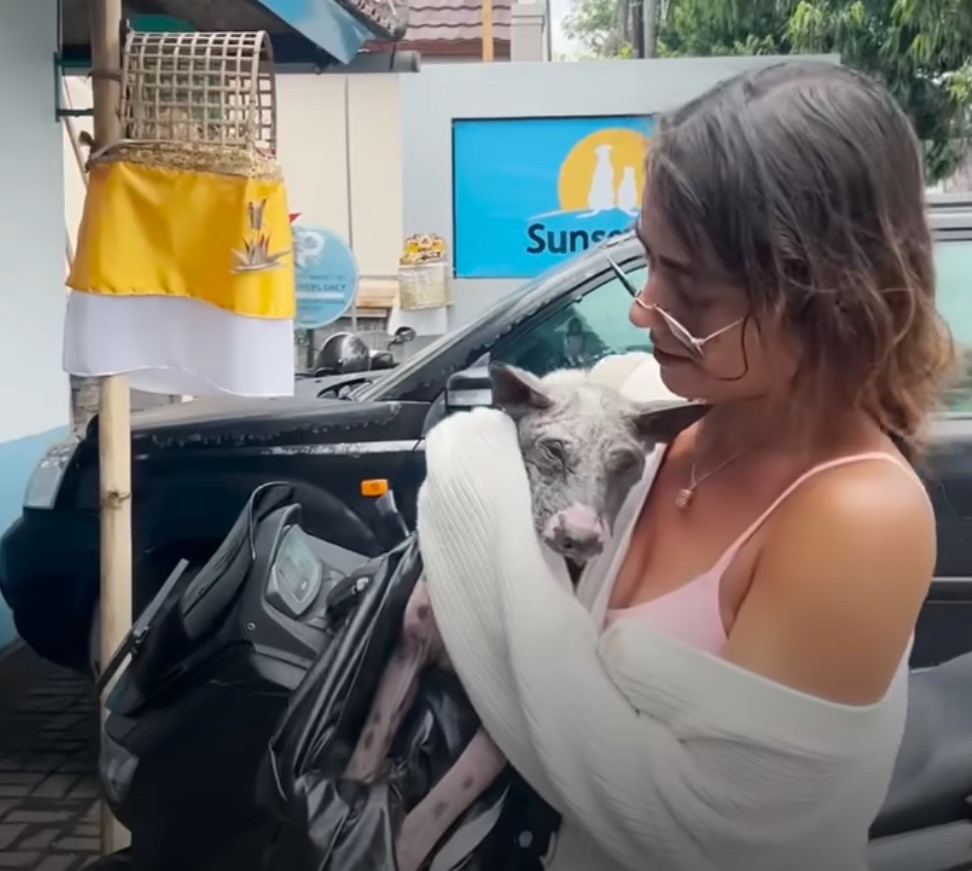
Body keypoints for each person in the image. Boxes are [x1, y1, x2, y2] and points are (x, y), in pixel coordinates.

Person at [414, 60, 955, 871]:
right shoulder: (636, 405)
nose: (641, 308)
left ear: (823, 296)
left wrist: (465, 466)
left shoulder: (860, 516)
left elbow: (700, 833)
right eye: (647, 260)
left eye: (691, 291)